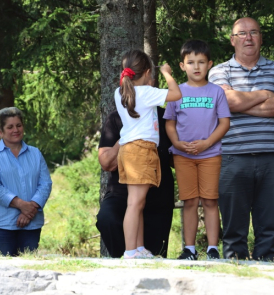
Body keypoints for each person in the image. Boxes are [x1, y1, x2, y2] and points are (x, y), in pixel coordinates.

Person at [209, 17, 274, 260]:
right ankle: (233, 276)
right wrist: (265, 95)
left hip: (271, 157)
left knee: (270, 229)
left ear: (260, 37)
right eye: (242, 33)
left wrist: (238, 102)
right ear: (232, 40)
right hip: (233, 158)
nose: (248, 37)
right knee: (234, 230)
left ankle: (267, 279)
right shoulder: (220, 71)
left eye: (253, 32)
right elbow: (226, 101)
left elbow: (233, 102)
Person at [164, 40, 230, 260]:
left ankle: (213, 249)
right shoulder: (176, 92)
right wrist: (177, 143)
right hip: (183, 156)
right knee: (190, 201)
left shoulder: (216, 92)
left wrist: (207, 143)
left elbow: (224, 123)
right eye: (191, 62)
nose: (196, 67)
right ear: (182, 66)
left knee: (210, 200)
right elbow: (170, 123)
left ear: (209, 64)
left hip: (210, 155)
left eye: (201, 62)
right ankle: (189, 249)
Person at [114, 49, 181, 259]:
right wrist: (168, 74)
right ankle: (130, 251)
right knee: (135, 202)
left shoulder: (121, 92)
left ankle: (139, 247)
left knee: (138, 202)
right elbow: (176, 94)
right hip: (141, 150)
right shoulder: (145, 92)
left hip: (128, 150)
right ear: (147, 72)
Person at [96, 97, 175, 258]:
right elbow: (106, 163)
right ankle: (124, 259)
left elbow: (177, 158)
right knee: (106, 218)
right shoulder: (116, 118)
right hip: (121, 194)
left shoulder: (165, 116)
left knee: (154, 255)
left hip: (158, 196)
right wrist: (130, 133)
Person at [0, 107, 52, 256]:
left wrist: (30, 210)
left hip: (31, 224)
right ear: (0, 131)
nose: (15, 130)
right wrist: (23, 206)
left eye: (18, 125)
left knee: (28, 270)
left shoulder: (35, 153)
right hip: (2, 225)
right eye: (10, 127)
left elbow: (45, 184)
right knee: (3, 271)